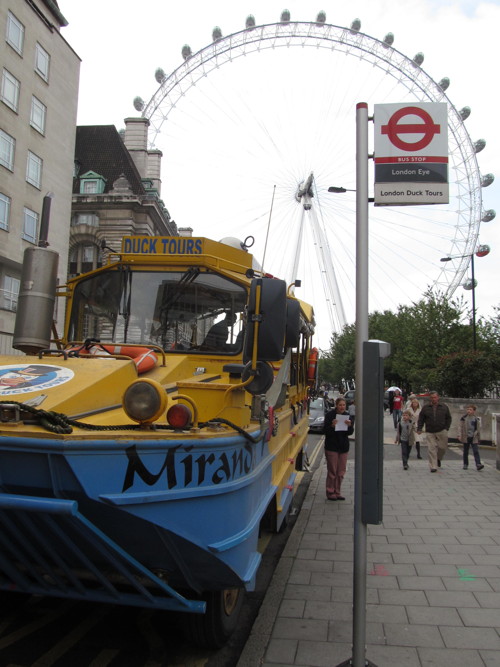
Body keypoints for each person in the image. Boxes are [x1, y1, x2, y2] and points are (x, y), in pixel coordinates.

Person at [323, 397, 354, 501]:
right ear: (336, 405)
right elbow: (325, 431)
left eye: (343, 405)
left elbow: (349, 433)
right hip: (332, 447)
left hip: (343, 447)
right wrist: (332, 426)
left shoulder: (347, 416)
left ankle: (337, 491)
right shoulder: (329, 415)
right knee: (332, 471)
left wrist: (350, 426)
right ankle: (330, 491)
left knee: (341, 472)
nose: (342, 407)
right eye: (340, 405)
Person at [417, 391, 452, 472]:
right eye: (432, 397)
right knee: (431, 448)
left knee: (442, 448)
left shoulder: (444, 407)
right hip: (430, 431)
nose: (434, 399)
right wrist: (419, 428)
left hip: (442, 430)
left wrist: (446, 427)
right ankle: (433, 466)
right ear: (430, 398)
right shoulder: (426, 407)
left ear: (438, 397)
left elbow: (448, 418)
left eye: (435, 397)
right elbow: (421, 419)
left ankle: (438, 459)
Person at [458, 404, 484, 471]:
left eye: (470, 410)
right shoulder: (463, 418)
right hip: (466, 436)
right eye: (468, 409)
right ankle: (465, 464)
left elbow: (478, 429)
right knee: (465, 451)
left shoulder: (476, 419)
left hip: (473, 437)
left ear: (474, 411)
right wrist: (459, 435)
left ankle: (478, 464)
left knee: (475, 451)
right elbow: (460, 427)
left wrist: (479, 438)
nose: (469, 411)